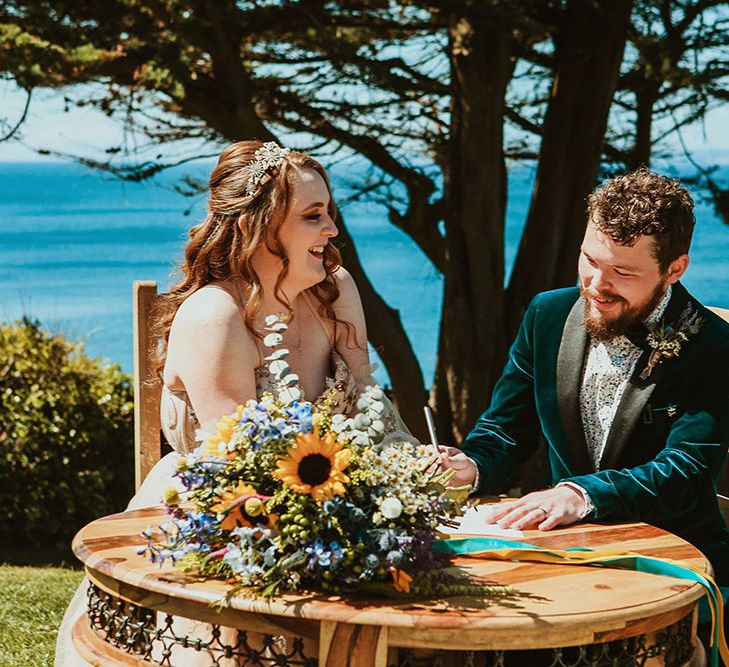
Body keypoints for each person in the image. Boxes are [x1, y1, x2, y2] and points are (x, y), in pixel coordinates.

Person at [55, 140, 411, 666]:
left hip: (335, 496)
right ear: (258, 226)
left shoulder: (335, 289)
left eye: (329, 213)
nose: (332, 231)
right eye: (313, 217)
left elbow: (369, 405)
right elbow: (246, 467)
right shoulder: (215, 317)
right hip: (226, 513)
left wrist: (411, 462)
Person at [440, 168, 729, 589]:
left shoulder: (715, 345)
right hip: (566, 550)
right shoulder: (547, 314)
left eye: (623, 273)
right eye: (590, 260)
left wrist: (581, 495)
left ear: (675, 269)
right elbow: (507, 427)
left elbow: (686, 471)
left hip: (678, 559)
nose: (597, 284)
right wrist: (474, 465)